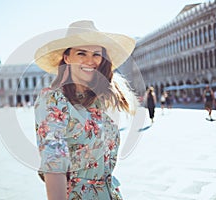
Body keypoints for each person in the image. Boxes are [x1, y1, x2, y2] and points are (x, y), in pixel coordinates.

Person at [33, 20, 138, 200]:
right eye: (81, 53)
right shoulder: (53, 99)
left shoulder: (100, 99)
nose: (90, 61)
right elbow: (54, 162)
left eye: (96, 54)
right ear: (67, 58)